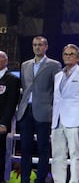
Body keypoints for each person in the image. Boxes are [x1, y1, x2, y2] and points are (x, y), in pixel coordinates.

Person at [16, 36, 62, 183]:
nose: (37, 47)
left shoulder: (54, 65)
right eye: (35, 45)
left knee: (43, 148)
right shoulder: (25, 65)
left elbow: (57, 90)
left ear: (46, 47)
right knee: (25, 148)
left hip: (44, 111)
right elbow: (25, 86)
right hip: (25, 111)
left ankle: (40, 180)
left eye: (40, 45)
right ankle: (25, 179)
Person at [51, 44, 79, 183]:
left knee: (75, 154)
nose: (68, 56)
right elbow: (57, 98)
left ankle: (74, 181)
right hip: (58, 120)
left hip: (75, 119)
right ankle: (59, 181)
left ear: (78, 58)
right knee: (57, 154)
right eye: (66, 54)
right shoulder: (58, 76)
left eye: (71, 54)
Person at [0, 51, 20, 183]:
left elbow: (11, 104)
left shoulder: (12, 79)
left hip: (1, 123)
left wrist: (4, 123)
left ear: (5, 61)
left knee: (1, 154)